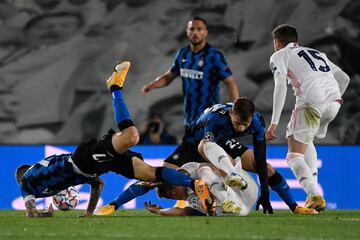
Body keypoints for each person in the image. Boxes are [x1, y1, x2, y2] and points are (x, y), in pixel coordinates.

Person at [15, 61, 211, 218]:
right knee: (150, 174)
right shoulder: (43, 180)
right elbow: (98, 184)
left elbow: (31, 213)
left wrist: (44, 216)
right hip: (92, 169)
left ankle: (115, 87)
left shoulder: (28, 184)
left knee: (131, 136)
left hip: (83, 159)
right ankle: (193, 183)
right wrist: (89, 213)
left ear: (21, 178)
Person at [96, 97, 317, 215]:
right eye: (238, 123)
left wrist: (266, 193)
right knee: (157, 177)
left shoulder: (257, 122)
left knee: (266, 169)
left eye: (245, 125)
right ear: (231, 114)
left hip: (223, 144)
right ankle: (114, 205)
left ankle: (295, 207)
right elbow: (205, 146)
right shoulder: (216, 118)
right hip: (194, 144)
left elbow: (259, 156)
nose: (241, 129)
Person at [265, 24, 350, 212]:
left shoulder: (279, 55)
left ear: (277, 42)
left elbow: (280, 85)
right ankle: (313, 198)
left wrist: (274, 123)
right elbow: (344, 78)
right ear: (296, 40)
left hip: (311, 103)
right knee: (307, 141)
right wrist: (331, 102)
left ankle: (314, 194)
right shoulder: (317, 53)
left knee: (293, 155)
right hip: (335, 103)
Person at [141, 16, 239, 132]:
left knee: (206, 148)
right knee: (190, 149)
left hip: (209, 117)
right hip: (189, 118)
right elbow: (169, 76)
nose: (195, 32)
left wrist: (235, 110)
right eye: (192, 29)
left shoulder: (214, 56)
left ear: (205, 32)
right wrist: (153, 84)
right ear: (187, 32)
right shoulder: (183, 54)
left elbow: (231, 83)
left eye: (199, 29)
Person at [145, 161, 259, 217]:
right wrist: (160, 211)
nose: (173, 193)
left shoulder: (188, 171)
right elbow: (181, 212)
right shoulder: (192, 203)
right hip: (240, 209)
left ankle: (227, 191)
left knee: (203, 166)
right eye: (170, 196)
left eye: (171, 188)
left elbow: (206, 166)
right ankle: (226, 201)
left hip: (243, 189)